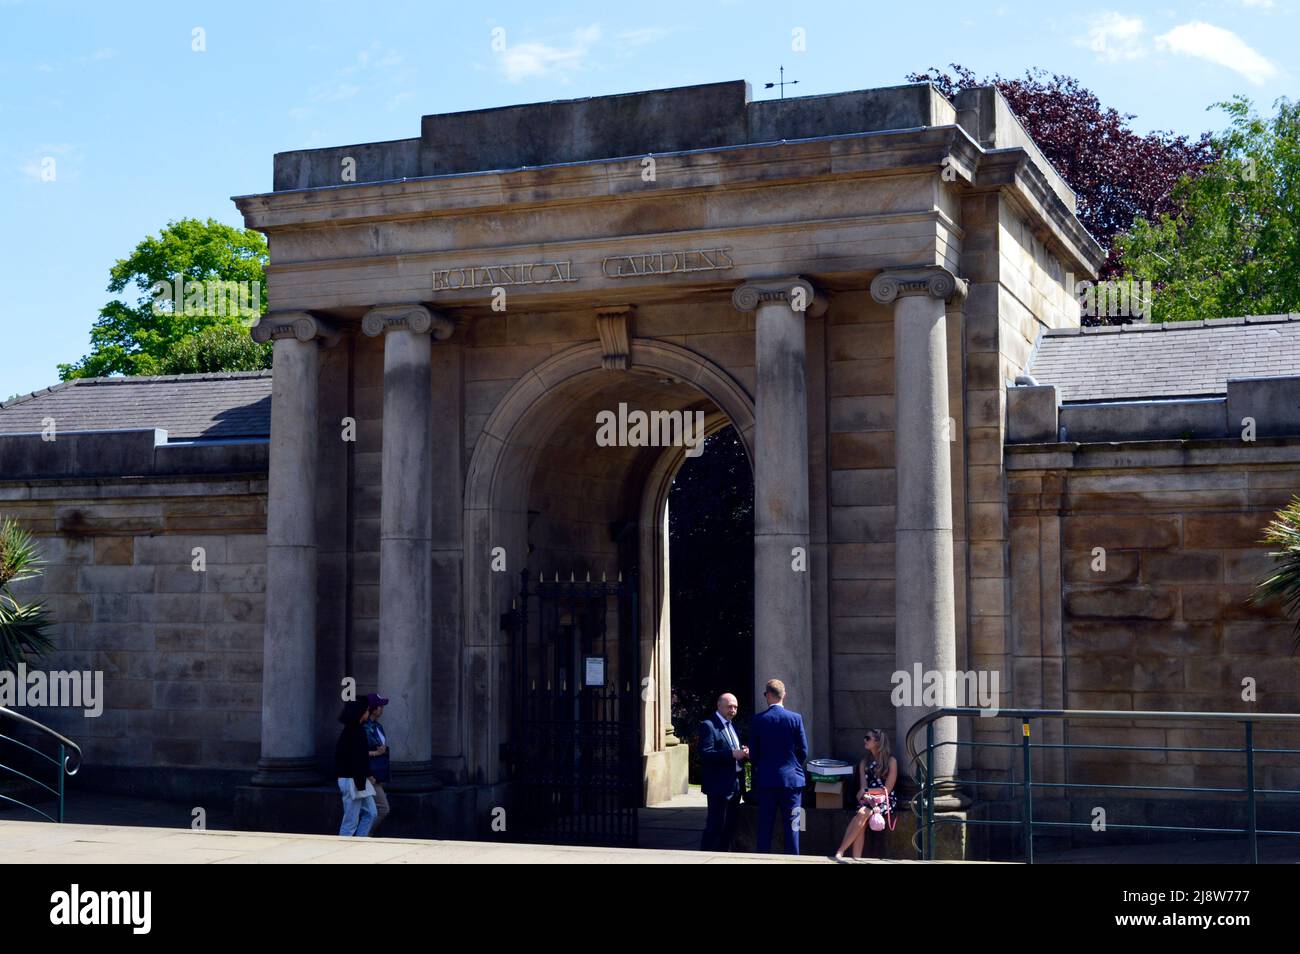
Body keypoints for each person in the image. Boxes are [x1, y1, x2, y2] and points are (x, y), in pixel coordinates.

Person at [748, 678, 808, 855]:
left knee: (764, 827)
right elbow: (803, 750)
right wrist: (794, 766)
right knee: (794, 827)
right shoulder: (796, 718)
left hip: (767, 779)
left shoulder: (758, 720)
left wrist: (761, 766)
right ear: (784, 696)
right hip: (792, 781)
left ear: (767, 695)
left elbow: (754, 754)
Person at [835, 729, 899, 860]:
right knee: (862, 817)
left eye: (867, 738)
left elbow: (887, 789)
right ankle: (855, 859)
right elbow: (862, 788)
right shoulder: (864, 762)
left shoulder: (891, 761)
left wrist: (865, 792)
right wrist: (865, 794)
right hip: (868, 800)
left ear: (878, 742)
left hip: (885, 800)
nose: (865, 740)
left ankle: (840, 851)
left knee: (862, 813)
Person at [698, 692, 747, 851]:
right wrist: (732, 754)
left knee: (729, 827)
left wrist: (743, 752)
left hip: (735, 784)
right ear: (719, 706)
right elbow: (706, 754)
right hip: (718, 786)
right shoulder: (709, 725)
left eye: (735, 707)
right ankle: (705, 856)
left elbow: (735, 749)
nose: (733, 710)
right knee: (715, 826)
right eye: (729, 706)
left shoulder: (732, 725)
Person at [335, 699, 377, 837]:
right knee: (350, 821)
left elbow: (360, 758)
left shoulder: (352, 731)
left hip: (357, 779)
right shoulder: (355, 732)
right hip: (352, 780)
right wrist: (367, 775)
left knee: (371, 813)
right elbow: (358, 758)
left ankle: (359, 842)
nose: (367, 712)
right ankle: (345, 848)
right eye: (366, 710)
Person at [364, 693, 391, 836]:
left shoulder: (378, 726)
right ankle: (364, 835)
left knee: (371, 810)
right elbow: (357, 753)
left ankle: (365, 836)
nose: (382, 708)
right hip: (369, 775)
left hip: (378, 773)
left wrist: (383, 750)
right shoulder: (364, 727)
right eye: (380, 706)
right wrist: (376, 753)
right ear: (374, 709)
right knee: (383, 809)